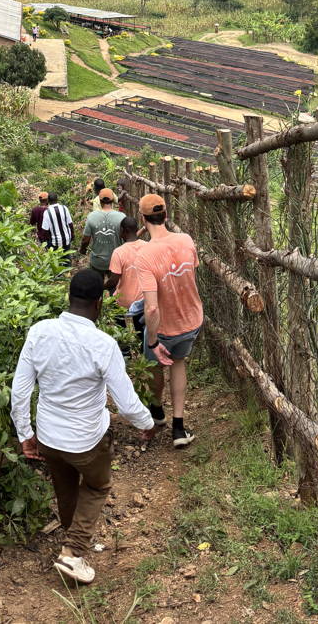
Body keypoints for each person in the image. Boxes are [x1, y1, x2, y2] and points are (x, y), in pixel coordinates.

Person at [11, 270, 156, 585]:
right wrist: (147, 424)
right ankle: (73, 552)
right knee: (97, 485)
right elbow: (127, 402)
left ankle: (72, 545)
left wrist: (25, 434)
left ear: (69, 296)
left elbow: (20, 391)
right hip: (86, 439)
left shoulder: (39, 332)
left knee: (65, 489)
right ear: (99, 303)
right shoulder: (102, 344)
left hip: (48, 436)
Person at [136, 193, 203, 448]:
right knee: (178, 363)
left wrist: (153, 341)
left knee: (155, 365)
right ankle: (179, 427)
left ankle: (157, 412)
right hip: (191, 320)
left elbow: (151, 308)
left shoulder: (145, 255)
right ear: (166, 215)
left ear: (143, 218)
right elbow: (189, 274)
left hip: (164, 327)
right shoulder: (185, 240)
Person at [107, 216, 147, 350]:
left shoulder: (118, 253)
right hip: (144, 300)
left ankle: (125, 353)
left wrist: (100, 286)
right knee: (142, 332)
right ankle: (144, 356)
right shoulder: (148, 247)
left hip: (124, 302)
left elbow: (113, 280)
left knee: (121, 331)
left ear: (124, 231)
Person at [79, 189, 125, 277]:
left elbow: (85, 240)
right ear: (112, 200)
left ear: (99, 201)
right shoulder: (122, 217)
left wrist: (83, 249)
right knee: (114, 288)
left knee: (96, 286)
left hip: (97, 261)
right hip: (116, 260)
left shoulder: (91, 216)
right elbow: (126, 238)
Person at [41, 193, 74, 265]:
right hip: (66, 238)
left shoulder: (47, 212)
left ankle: (59, 274)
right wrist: (72, 235)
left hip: (55, 241)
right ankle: (68, 272)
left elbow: (45, 230)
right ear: (57, 199)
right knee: (67, 256)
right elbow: (70, 224)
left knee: (57, 260)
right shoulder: (64, 208)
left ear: (48, 201)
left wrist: (46, 242)